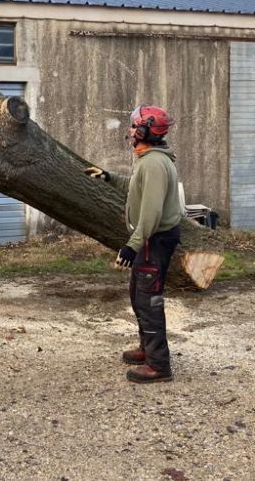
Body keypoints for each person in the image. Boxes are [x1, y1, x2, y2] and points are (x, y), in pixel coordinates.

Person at [84, 105, 183, 383]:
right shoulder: (149, 158)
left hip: (154, 240)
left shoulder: (153, 163)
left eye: (134, 126)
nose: (129, 131)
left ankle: (159, 366)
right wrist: (108, 177)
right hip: (152, 238)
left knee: (148, 300)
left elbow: (150, 212)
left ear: (143, 131)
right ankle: (147, 348)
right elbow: (137, 186)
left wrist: (132, 245)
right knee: (138, 294)